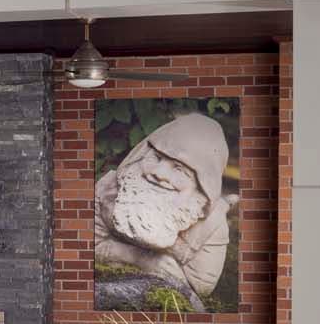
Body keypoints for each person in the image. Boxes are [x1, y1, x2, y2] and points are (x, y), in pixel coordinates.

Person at [93, 112, 233, 307]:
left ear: (202, 184)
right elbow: (86, 247)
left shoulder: (211, 225)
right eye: (156, 158)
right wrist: (141, 259)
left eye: (178, 169)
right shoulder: (108, 189)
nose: (159, 173)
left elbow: (200, 287)